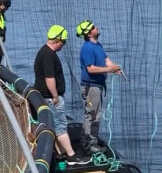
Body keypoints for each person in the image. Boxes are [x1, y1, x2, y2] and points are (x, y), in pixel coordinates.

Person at [34, 25, 88, 166]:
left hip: (45, 97)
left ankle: (60, 153)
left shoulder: (44, 52)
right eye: (63, 42)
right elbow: (49, 78)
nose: (63, 46)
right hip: (51, 98)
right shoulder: (48, 55)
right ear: (57, 41)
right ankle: (71, 156)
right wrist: (55, 96)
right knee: (60, 126)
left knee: (55, 126)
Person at [76, 20, 122, 153]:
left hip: (98, 86)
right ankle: (88, 143)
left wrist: (115, 67)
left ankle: (93, 141)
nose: (97, 27)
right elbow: (90, 69)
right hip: (91, 87)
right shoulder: (87, 48)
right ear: (89, 33)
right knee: (91, 114)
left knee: (96, 114)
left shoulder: (98, 46)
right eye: (93, 27)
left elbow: (106, 59)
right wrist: (110, 70)